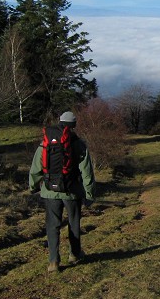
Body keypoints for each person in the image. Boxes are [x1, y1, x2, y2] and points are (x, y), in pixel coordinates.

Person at [29, 111, 95, 273]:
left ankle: (53, 261)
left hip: (50, 191)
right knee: (73, 223)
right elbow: (86, 171)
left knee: (52, 225)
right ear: (73, 125)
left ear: (60, 122)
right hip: (72, 191)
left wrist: (33, 186)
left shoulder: (46, 142)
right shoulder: (78, 144)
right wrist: (89, 194)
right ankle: (74, 254)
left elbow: (36, 167)